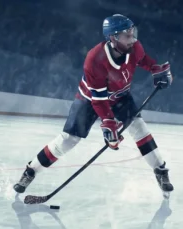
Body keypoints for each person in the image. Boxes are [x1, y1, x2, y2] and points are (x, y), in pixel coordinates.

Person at [13, 14, 174, 197]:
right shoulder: (94, 59)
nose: (133, 39)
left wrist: (155, 69)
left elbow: (142, 59)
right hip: (89, 99)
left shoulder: (134, 47)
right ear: (113, 37)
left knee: (139, 127)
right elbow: (99, 99)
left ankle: (160, 170)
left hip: (120, 96)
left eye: (133, 33)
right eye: (127, 35)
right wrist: (108, 123)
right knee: (68, 139)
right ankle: (31, 170)